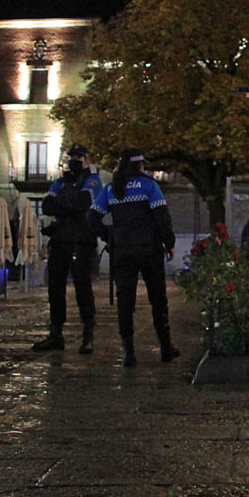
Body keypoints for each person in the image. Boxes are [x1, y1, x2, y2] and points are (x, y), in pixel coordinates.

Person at [97, 148, 177, 366]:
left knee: (125, 301)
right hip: (149, 249)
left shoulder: (111, 189)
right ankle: (166, 347)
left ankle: (128, 352)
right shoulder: (149, 186)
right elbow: (162, 217)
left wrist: (109, 237)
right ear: (140, 165)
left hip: (122, 250)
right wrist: (169, 243)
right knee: (158, 299)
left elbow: (92, 218)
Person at [32, 144, 105, 354]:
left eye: (80, 157)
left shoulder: (93, 180)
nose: (75, 160)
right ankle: (56, 334)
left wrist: (62, 205)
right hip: (61, 240)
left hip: (81, 242)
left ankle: (87, 335)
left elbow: (84, 203)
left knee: (83, 288)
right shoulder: (60, 181)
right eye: (72, 156)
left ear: (87, 160)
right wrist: (68, 205)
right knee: (55, 288)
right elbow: (47, 205)